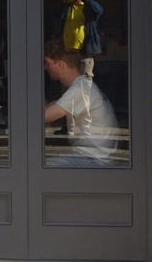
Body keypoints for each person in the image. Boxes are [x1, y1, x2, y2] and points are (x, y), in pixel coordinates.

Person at [43, 39, 117, 167]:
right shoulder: (83, 85)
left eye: (47, 63)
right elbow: (51, 108)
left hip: (93, 159)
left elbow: (45, 116)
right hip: (96, 156)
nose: (45, 67)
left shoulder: (80, 89)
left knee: (38, 168)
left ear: (60, 64)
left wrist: (32, 85)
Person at [57, 0, 103, 75]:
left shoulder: (88, 7)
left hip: (83, 53)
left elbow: (99, 10)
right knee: (68, 80)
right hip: (68, 52)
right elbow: (57, 18)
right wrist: (64, 2)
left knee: (84, 81)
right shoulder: (68, 7)